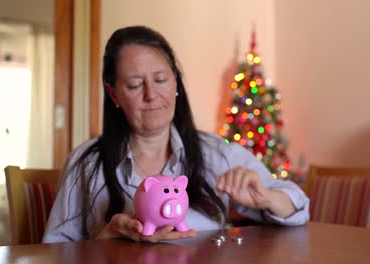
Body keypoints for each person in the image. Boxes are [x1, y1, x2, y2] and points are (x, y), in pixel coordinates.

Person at [43, 25, 309, 243]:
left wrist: (267, 196)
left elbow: (299, 206)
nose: (151, 95)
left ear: (176, 83)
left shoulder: (215, 153)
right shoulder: (87, 163)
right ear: (113, 93)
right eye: (135, 85)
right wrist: (105, 237)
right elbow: (54, 251)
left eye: (161, 80)